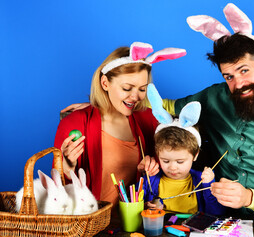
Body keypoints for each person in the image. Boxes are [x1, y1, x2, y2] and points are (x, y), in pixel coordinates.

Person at [61, 4, 254, 218]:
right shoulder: (214, 97)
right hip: (209, 217)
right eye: (228, 76)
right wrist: (105, 102)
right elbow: (165, 106)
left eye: (244, 71)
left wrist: (250, 198)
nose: (237, 84)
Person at [54, 42, 186, 211]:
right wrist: (68, 166)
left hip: (137, 225)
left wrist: (153, 168)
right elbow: (57, 193)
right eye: (126, 88)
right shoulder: (76, 123)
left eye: (142, 89)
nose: (135, 96)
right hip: (92, 227)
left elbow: (179, 154)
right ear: (105, 83)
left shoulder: (148, 119)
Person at [142, 84, 225, 215]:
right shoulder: (151, 180)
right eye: (165, 161)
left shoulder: (200, 180)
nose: (173, 167)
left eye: (180, 162)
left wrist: (209, 186)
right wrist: (146, 206)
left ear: (195, 155)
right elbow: (135, 204)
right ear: (157, 154)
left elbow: (216, 213)